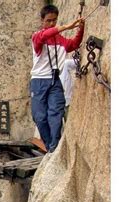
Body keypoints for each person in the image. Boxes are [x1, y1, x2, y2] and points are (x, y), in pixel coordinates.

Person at [30, 4, 85, 152]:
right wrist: (66, 27)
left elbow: (74, 44)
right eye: (48, 20)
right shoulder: (37, 37)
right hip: (39, 81)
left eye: (54, 20)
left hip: (55, 80)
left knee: (56, 113)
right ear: (42, 21)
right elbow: (43, 36)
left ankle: (54, 146)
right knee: (39, 117)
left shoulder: (60, 41)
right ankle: (49, 145)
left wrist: (81, 29)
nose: (52, 23)